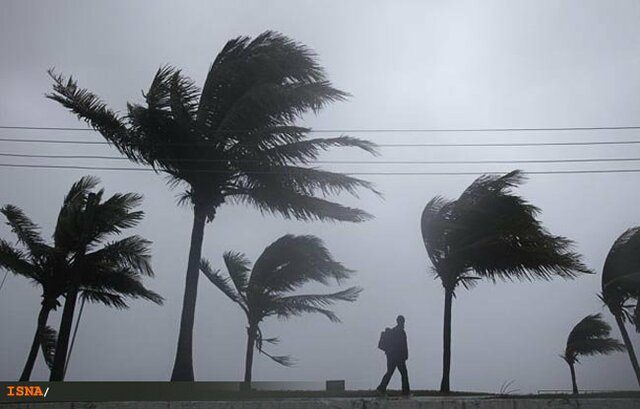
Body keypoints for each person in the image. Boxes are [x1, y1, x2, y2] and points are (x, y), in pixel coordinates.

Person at [376, 315, 410, 396]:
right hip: (398, 357)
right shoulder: (401, 331)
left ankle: (381, 388)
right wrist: (405, 356)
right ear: (401, 321)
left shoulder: (393, 331)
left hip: (391, 356)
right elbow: (403, 345)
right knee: (404, 373)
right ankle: (405, 392)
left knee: (390, 372)